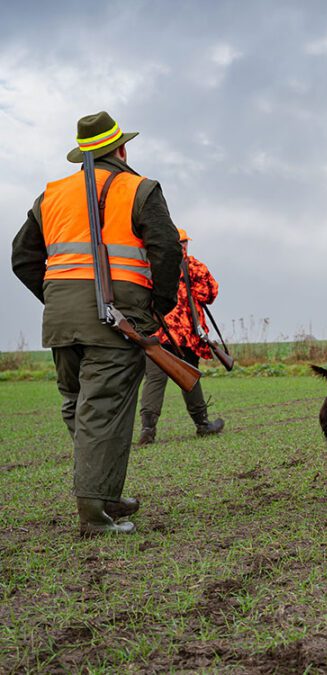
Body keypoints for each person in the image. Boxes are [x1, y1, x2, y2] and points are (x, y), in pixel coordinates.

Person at [10, 111, 182, 535]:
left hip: (62, 321)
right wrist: (156, 309)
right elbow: (167, 249)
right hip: (117, 319)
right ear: (121, 149)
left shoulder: (49, 195)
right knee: (103, 411)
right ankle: (92, 512)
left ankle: (104, 493)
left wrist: (58, 298)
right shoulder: (139, 188)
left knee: (79, 404)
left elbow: (22, 258)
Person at [136, 229, 225, 445]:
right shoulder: (193, 266)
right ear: (183, 244)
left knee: (155, 379)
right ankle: (202, 424)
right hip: (184, 334)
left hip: (156, 331)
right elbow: (209, 293)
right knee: (188, 377)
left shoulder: (150, 266)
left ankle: (147, 429)